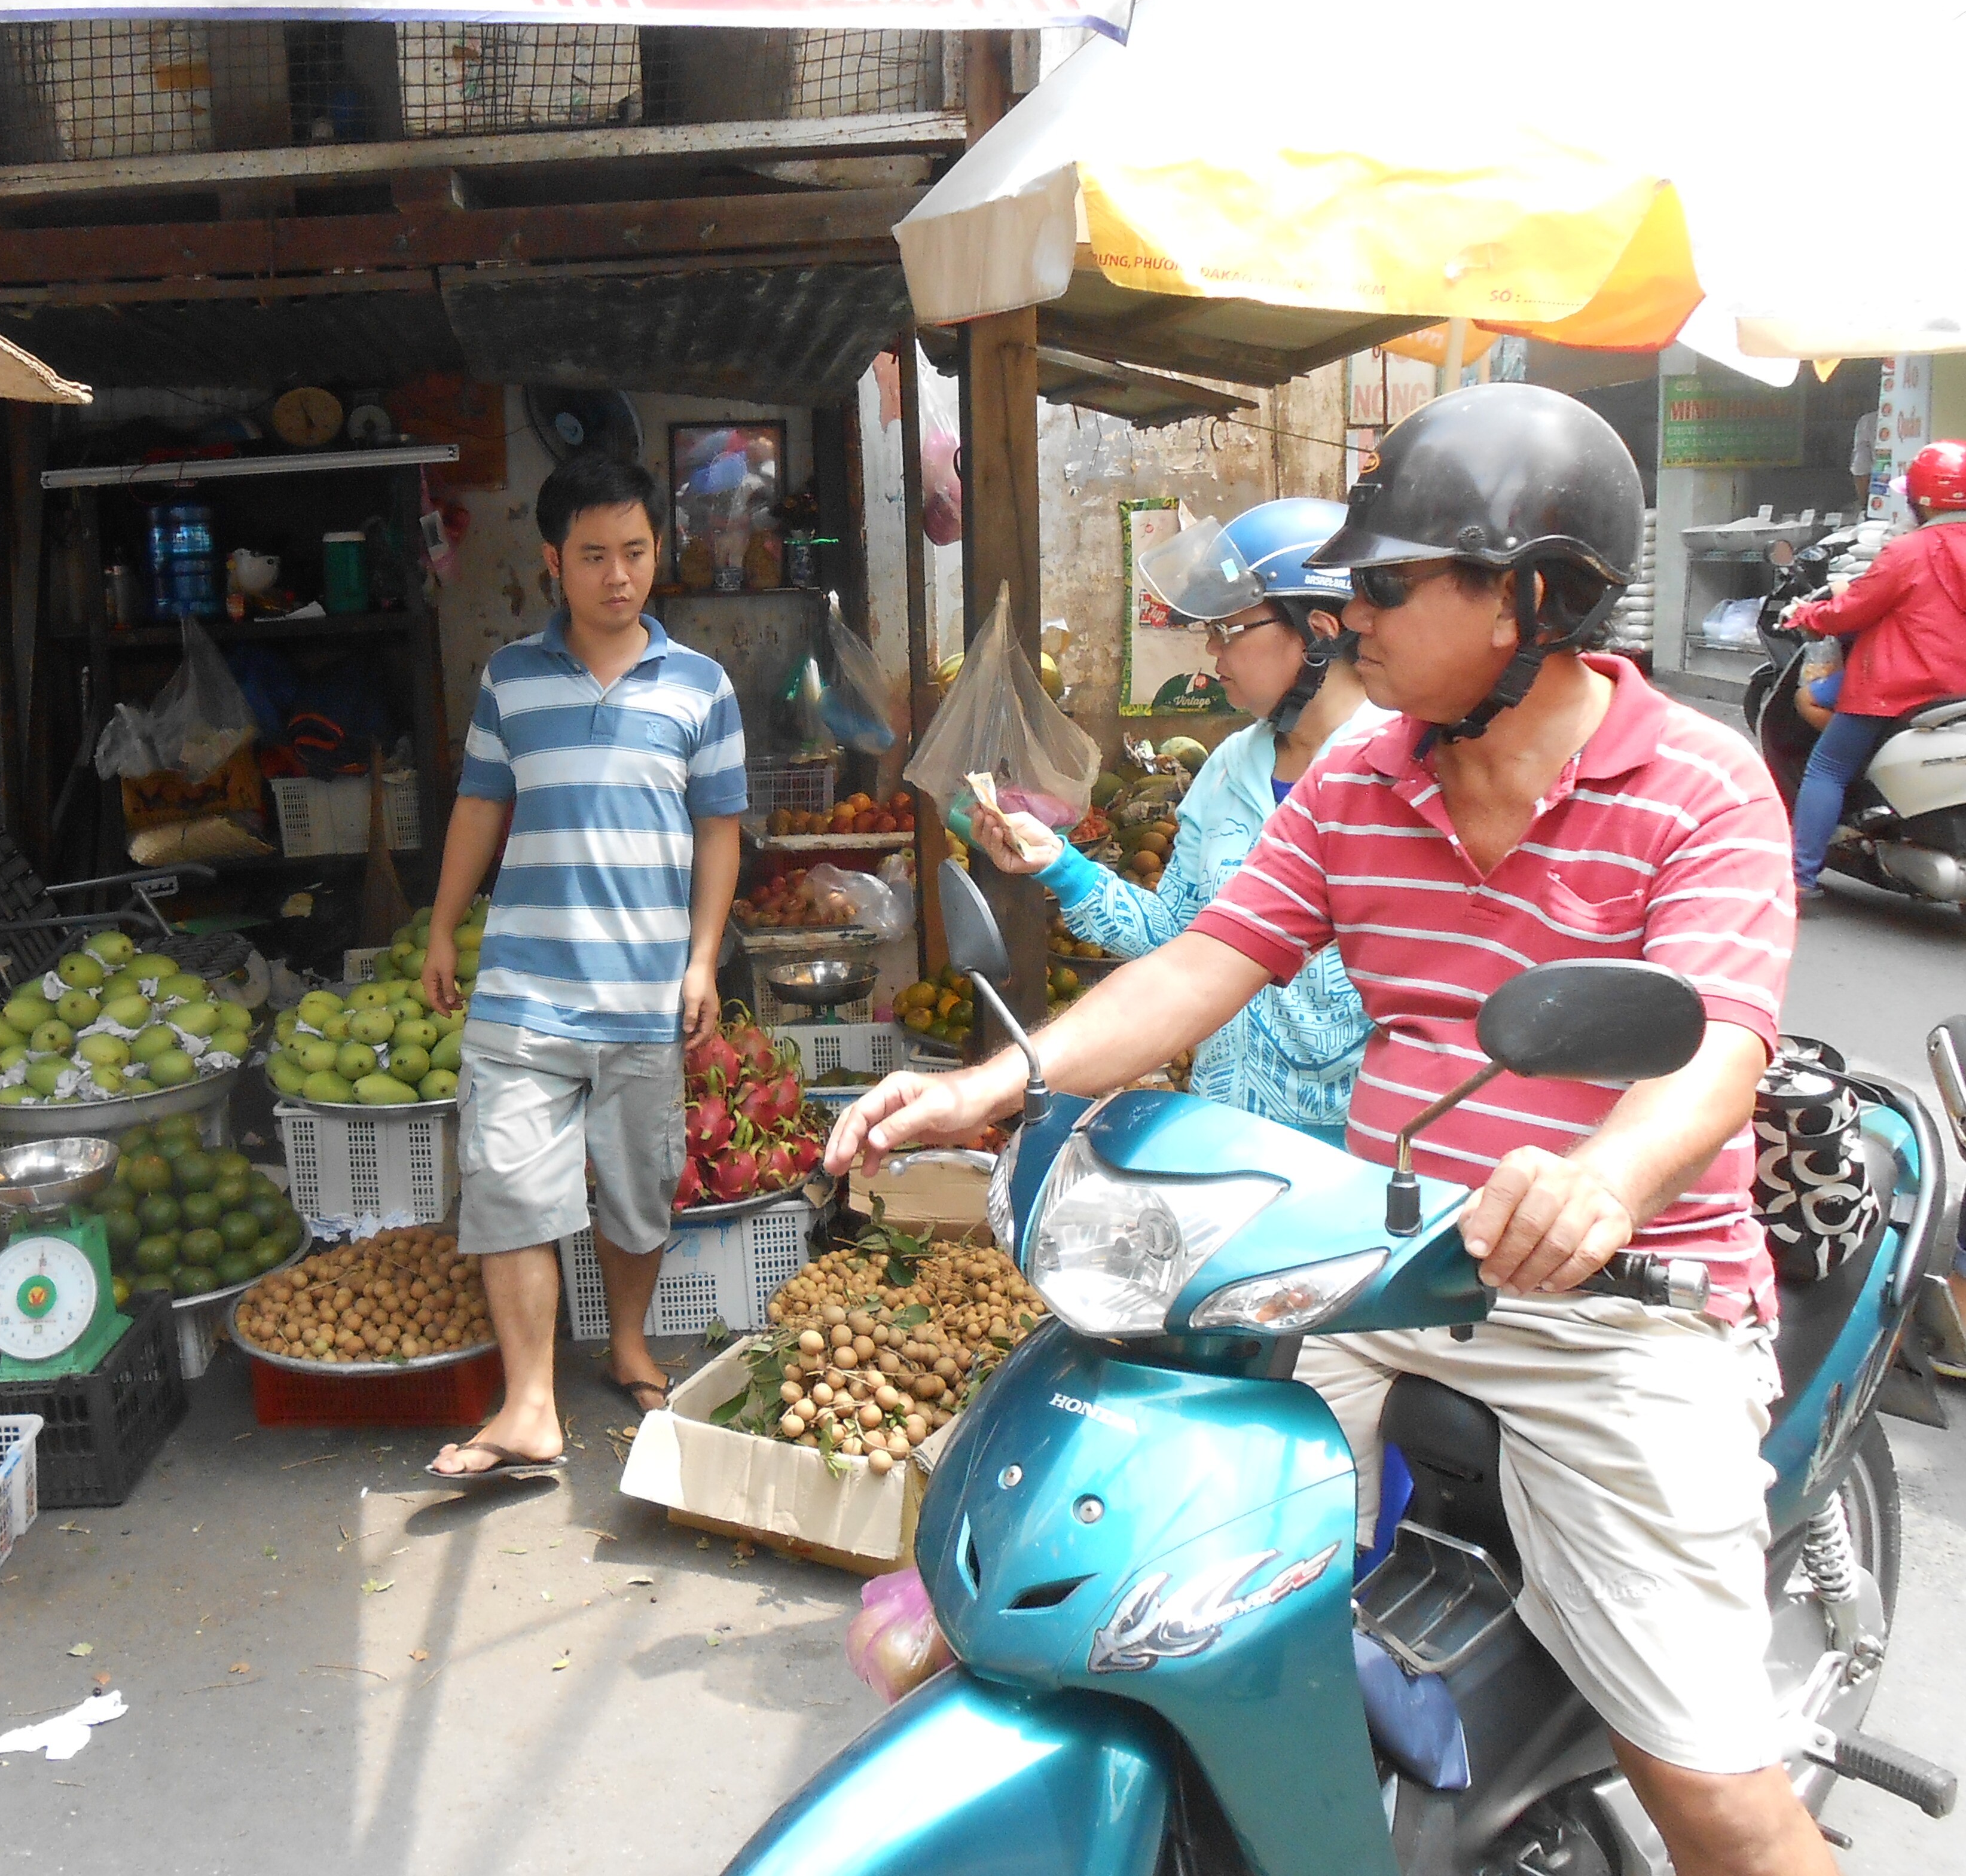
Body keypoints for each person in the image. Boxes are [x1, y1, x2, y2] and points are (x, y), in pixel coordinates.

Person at [829, 385, 1822, 1876]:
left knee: (1712, 1796)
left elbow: (1719, 1046)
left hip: (1614, 1310)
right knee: (1158, 1591)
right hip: (1370, 1267)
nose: (1353, 617)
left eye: (1389, 585)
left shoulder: (1697, 785)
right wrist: (996, 1081)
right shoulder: (1359, 773)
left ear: (1532, 599)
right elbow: (1204, 961)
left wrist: (1603, 1180)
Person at [419, 452, 747, 1481]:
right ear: (553, 562)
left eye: (635, 552)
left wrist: (702, 961)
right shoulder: (509, 678)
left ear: (657, 552)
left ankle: (628, 1343)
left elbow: (720, 831)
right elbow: (480, 804)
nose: (618, 575)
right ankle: (529, 1406)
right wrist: (441, 927)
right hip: (523, 993)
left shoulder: (700, 686)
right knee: (510, 1188)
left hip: (644, 994)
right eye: (594, 555)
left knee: (639, 1193)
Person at [972, 496, 1388, 1141]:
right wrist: (1060, 865)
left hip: (1361, 1155)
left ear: (1320, 632)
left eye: (1230, 631)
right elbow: (1175, 937)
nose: (1212, 651)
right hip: (1224, 1137)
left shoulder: (1401, 773)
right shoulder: (1228, 769)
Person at [1781, 438, 1966, 901]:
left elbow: (1850, 612)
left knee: (1828, 768)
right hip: (1958, 690)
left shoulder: (1908, 551)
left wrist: (1808, 616)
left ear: (1922, 500)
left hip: (1900, 688)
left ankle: (1799, 878)